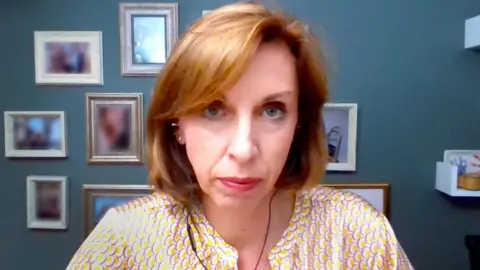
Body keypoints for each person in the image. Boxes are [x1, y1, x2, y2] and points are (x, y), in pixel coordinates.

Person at [66, 2, 414, 269]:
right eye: (213, 110)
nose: (244, 149)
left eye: (273, 110)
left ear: (299, 123)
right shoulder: (123, 242)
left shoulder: (358, 234)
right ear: (177, 126)